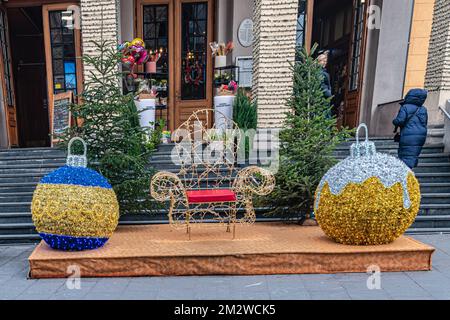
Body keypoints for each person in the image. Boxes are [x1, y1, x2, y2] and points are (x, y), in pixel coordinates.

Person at [392, 88, 428, 169]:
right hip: (421, 136)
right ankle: (409, 174)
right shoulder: (423, 109)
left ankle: (406, 175)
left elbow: (400, 121)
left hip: (408, 135)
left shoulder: (405, 107)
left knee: (406, 157)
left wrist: (394, 121)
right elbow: (425, 123)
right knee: (412, 155)